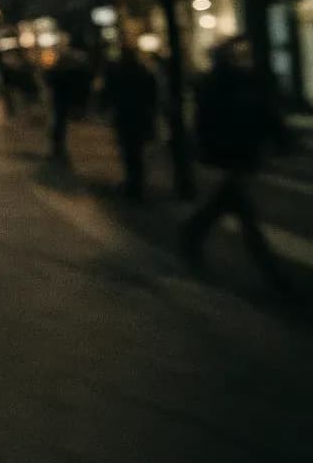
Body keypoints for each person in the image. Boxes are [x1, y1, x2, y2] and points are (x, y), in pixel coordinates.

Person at [181, 38, 297, 295]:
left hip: (235, 155)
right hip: (237, 155)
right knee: (243, 212)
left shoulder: (221, 83)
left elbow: (260, 113)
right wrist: (282, 139)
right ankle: (271, 273)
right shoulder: (234, 83)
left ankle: (192, 234)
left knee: (227, 205)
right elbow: (263, 113)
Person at [102, 47, 159, 200]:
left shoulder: (119, 73)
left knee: (130, 151)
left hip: (126, 117)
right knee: (136, 151)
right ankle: (136, 183)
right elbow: (152, 95)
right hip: (139, 117)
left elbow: (111, 93)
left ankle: (133, 183)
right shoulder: (144, 73)